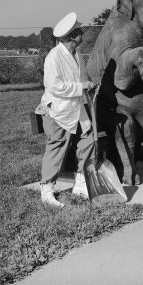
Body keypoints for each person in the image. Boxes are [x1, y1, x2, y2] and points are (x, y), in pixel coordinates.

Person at [39, 12, 96, 207]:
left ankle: (81, 183)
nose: (82, 33)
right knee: (57, 147)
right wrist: (82, 87)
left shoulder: (77, 54)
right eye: (79, 31)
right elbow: (54, 86)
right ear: (72, 36)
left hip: (77, 108)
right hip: (59, 111)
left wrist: (88, 85)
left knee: (88, 141)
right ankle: (47, 190)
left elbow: (80, 79)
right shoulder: (54, 57)